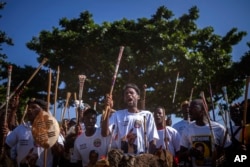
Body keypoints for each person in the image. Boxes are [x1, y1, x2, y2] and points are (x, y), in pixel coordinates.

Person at [4, 98, 64, 167]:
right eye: (29, 107)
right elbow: (6, 146)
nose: (29, 109)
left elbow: (60, 152)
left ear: (43, 111)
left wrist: (51, 140)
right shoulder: (21, 128)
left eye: (34, 107)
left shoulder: (52, 128)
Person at [102, 83, 159, 154]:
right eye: (126, 94)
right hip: (123, 159)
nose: (129, 95)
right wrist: (108, 109)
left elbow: (152, 140)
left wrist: (150, 158)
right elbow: (105, 133)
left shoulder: (147, 115)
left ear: (138, 96)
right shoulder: (117, 115)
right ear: (124, 98)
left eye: (131, 93)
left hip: (141, 159)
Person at [178, 99, 232, 167]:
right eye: (189, 108)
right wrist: (189, 153)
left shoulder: (219, 129)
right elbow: (180, 155)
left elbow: (230, 153)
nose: (189, 111)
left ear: (203, 110)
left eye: (194, 108)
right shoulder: (187, 129)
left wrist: (221, 156)